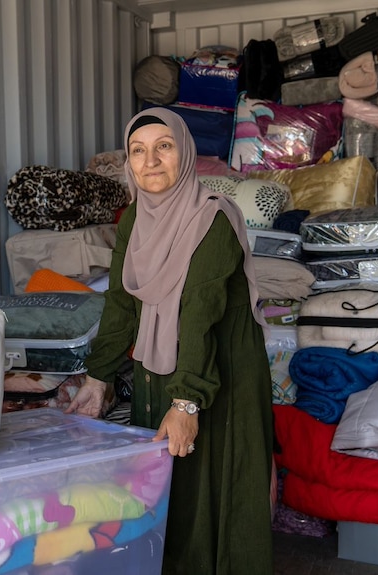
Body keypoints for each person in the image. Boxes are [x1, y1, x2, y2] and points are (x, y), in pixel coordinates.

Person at [67, 107, 275, 574]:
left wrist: (186, 404)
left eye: (164, 147)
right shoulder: (134, 220)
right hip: (159, 373)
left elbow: (198, 315)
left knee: (218, 496)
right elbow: (121, 302)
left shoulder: (214, 219)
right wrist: (98, 378)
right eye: (137, 151)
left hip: (220, 377)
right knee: (164, 494)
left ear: (186, 153)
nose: (151, 161)